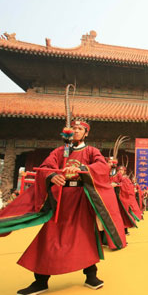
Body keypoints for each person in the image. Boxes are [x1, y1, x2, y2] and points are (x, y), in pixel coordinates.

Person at [0, 119, 126, 294]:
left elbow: (102, 167)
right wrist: (51, 176)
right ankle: (41, 280)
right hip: (61, 200)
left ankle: (91, 275)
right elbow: (45, 167)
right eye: (73, 128)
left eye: (80, 129)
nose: (76, 131)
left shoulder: (91, 151)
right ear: (67, 131)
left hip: (81, 199)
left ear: (86, 133)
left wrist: (83, 169)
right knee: (50, 236)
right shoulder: (60, 151)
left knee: (85, 236)